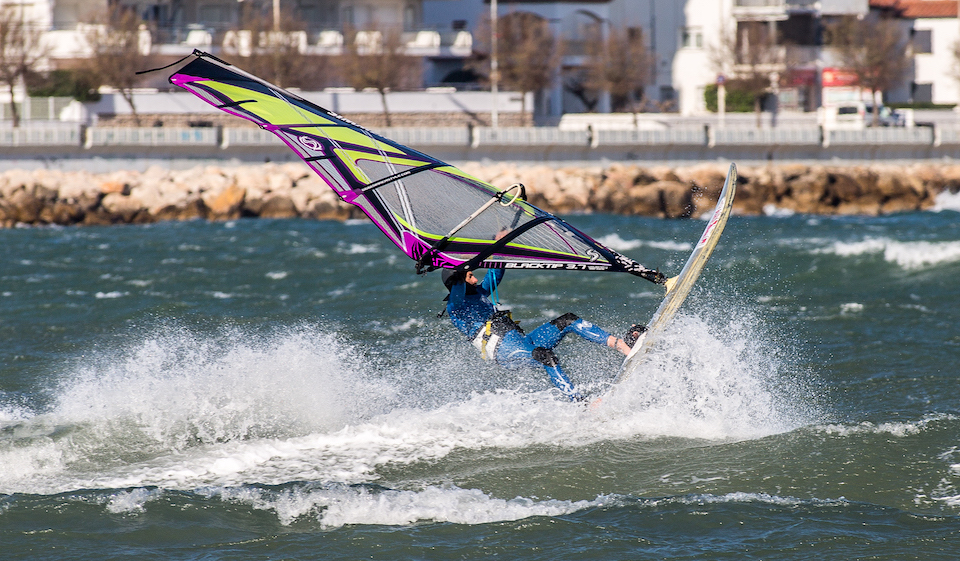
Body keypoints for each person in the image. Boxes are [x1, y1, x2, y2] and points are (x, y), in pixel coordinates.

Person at [441, 267, 645, 402]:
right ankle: (579, 403)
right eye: (470, 276)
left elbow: (496, 271)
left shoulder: (479, 292)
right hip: (505, 353)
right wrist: (454, 267)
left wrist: (499, 240)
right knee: (545, 356)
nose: (476, 279)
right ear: (458, 281)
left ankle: (623, 345)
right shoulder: (456, 306)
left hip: (522, 342)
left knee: (568, 320)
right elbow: (457, 288)